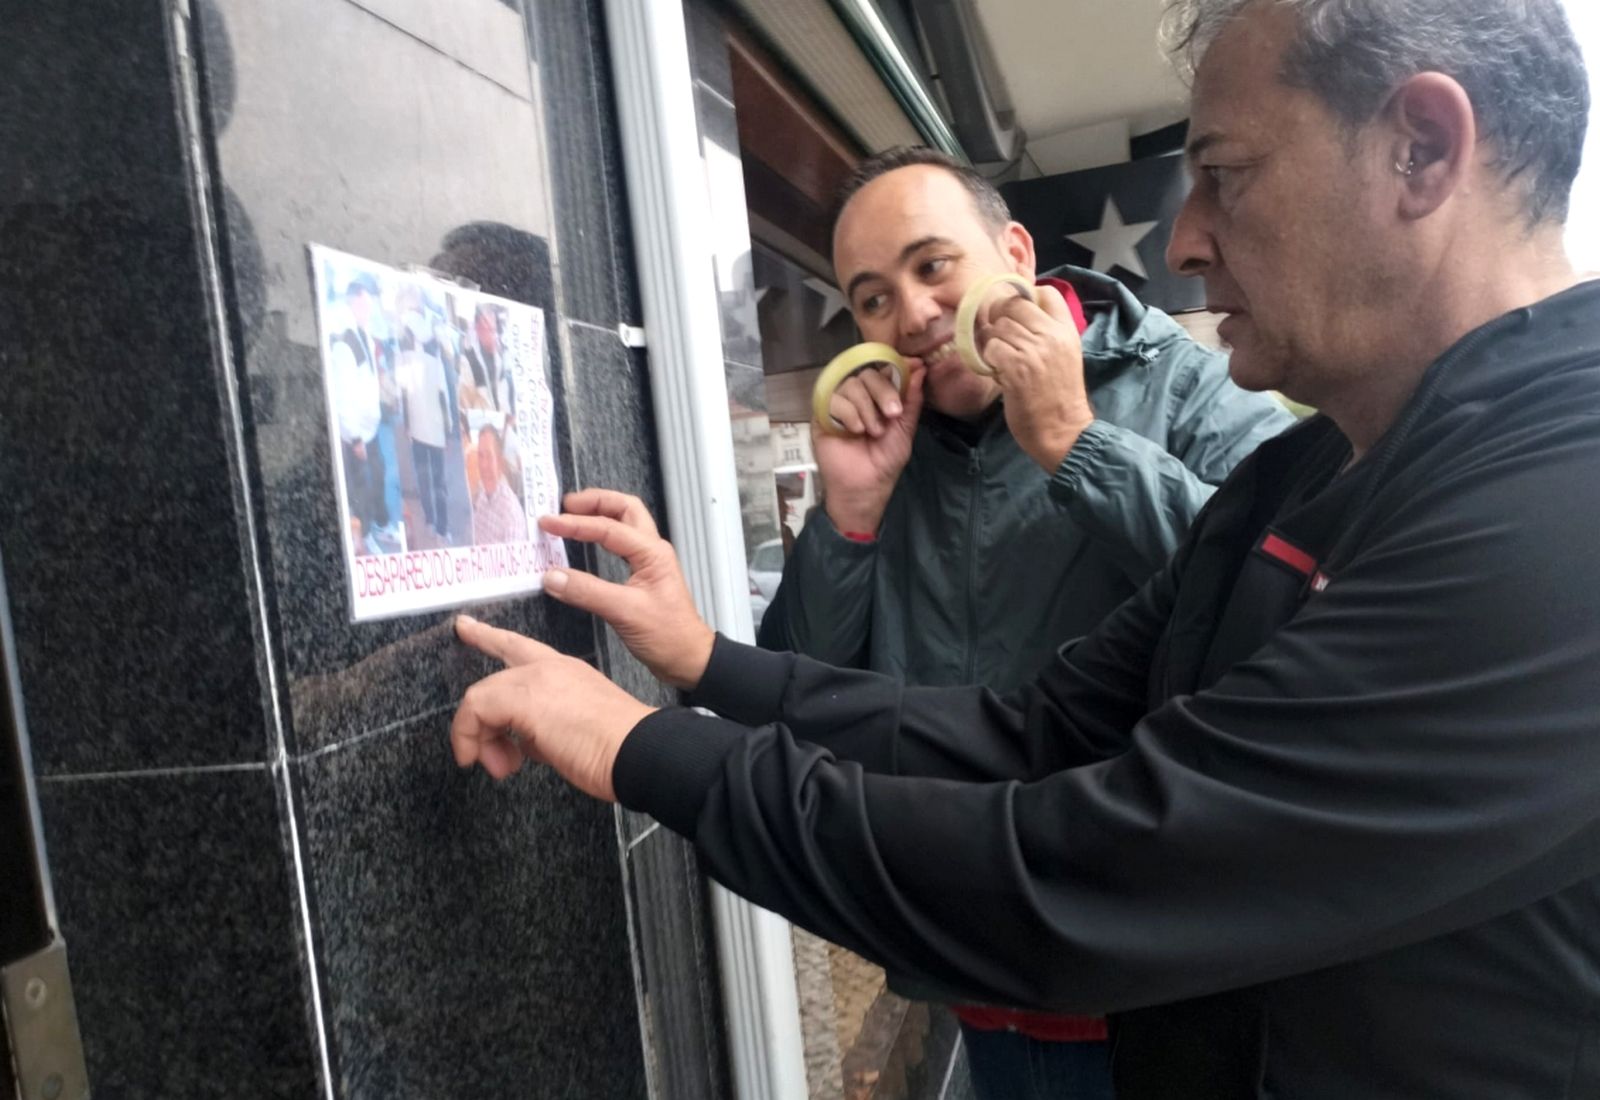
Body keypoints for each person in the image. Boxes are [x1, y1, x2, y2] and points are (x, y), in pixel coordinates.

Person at [449, 0, 1600, 1095]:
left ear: (1422, 150)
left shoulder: (1559, 510)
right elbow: (1030, 729)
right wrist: (705, 661)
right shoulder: (1301, 473)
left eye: (1227, 174)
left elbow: (1090, 868)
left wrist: (650, 750)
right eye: (868, 296)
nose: (1188, 235)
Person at [754, 146, 1293, 1094]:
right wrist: (846, 516)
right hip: (971, 966)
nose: (913, 317)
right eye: (873, 298)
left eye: (933, 268)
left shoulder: (1183, 382)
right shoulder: (888, 447)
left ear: (1013, 251)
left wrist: (1079, 447)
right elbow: (800, 698)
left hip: (1165, 982)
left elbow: (1289, 607)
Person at [329, 273, 394, 555]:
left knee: (379, 476)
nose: (367, 310)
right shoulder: (345, 344)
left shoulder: (364, 335)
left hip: (372, 428)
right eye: (362, 304)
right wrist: (354, 438)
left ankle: (381, 526)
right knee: (361, 487)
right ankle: (365, 537)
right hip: (356, 434)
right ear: (352, 303)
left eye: (369, 304)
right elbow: (344, 395)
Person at [397, 309, 453, 543]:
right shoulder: (410, 359)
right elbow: (441, 398)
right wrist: (446, 430)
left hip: (428, 429)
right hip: (426, 429)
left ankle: (438, 523)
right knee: (433, 478)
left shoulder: (414, 359)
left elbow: (440, 397)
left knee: (431, 478)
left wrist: (446, 429)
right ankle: (438, 524)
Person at [470, 425, 527, 546]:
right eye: (480, 455)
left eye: (489, 456)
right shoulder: (481, 496)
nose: (483, 464)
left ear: (500, 461)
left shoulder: (511, 515)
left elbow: (513, 563)